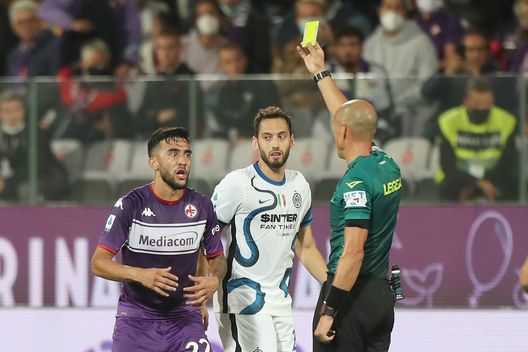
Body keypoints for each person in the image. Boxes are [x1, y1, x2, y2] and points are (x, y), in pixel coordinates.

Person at [298, 42, 401, 351]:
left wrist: (330, 310)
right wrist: (320, 72)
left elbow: (353, 253)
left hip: (350, 298)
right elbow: (348, 116)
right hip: (381, 297)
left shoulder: (355, 184)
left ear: (342, 133)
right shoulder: (387, 164)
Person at [91, 127, 227, 351]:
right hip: (136, 320)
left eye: (187, 154)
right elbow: (98, 263)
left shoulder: (202, 206)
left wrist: (214, 281)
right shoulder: (131, 205)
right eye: (173, 154)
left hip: (184, 319)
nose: (182, 161)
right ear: (153, 162)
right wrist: (139, 275)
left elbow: (215, 258)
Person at [212, 106, 327, 351]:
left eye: (281, 136)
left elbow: (306, 247)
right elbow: (206, 237)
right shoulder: (237, 184)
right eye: (267, 137)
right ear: (255, 143)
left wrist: (333, 288)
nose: (275, 143)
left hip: (280, 300)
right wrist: (204, 290)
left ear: (292, 141)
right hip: (242, 297)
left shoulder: (300, 186)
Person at [435, 77, 518, 202]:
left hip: (494, 175)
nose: (482, 108)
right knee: (448, 186)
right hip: (460, 177)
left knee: (510, 185)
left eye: (486, 103)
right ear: (466, 102)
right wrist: (475, 183)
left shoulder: (506, 121)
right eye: (477, 103)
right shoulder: (448, 121)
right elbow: (447, 164)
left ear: (493, 101)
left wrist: (486, 182)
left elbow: (508, 163)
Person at [0, 90, 68, 201]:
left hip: (47, 177)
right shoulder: (2, 135)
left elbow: (37, 166)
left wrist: (7, 181)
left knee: (25, 190)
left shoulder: (35, 133)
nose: (13, 115)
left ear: (24, 111)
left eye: (17, 110)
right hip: (19, 178)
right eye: (7, 111)